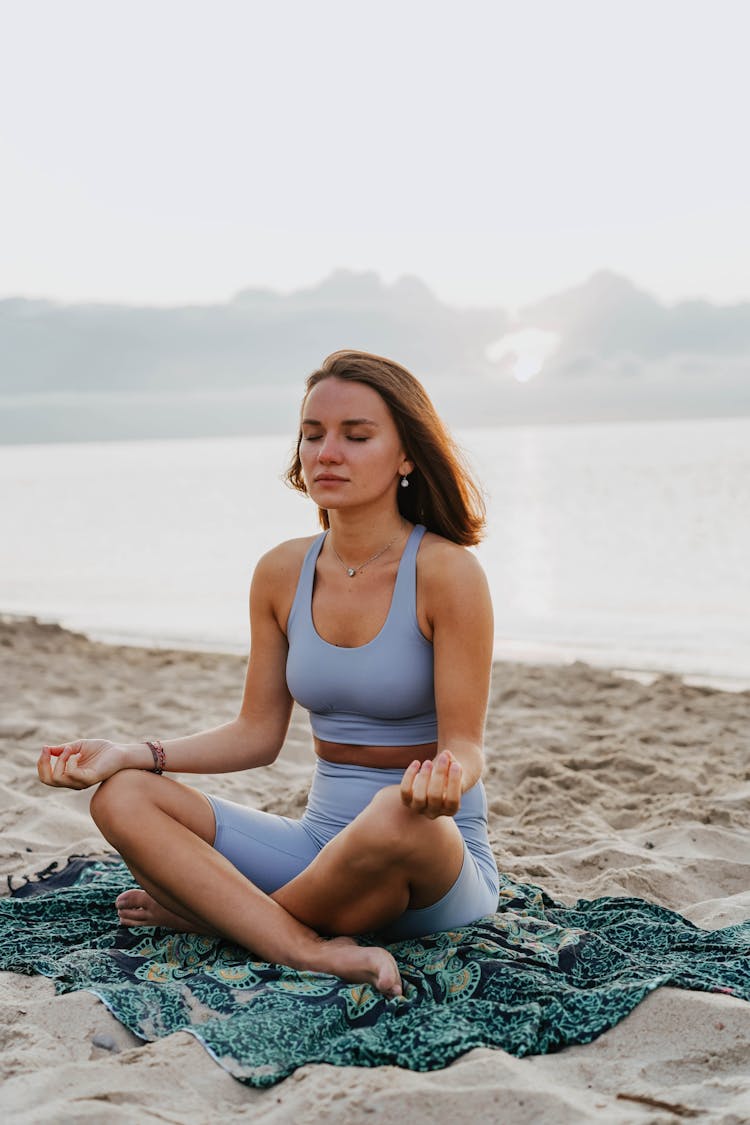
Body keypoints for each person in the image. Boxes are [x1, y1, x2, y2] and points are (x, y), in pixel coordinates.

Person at [37, 350, 499, 998]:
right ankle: (302, 943)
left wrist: (448, 781)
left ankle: (223, 912)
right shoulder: (281, 571)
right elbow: (257, 733)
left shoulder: (448, 573)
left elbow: (466, 745)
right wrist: (132, 753)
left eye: (356, 435)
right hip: (316, 847)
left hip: (428, 859)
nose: (326, 452)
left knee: (393, 811)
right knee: (123, 793)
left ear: (407, 455)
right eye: (313, 434)